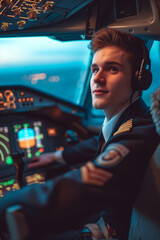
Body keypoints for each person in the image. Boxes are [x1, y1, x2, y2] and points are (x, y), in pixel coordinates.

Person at [0, 28, 159, 240]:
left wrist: (4, 206)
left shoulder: (138, 136)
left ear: (139, 79)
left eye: (112, 69)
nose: (97, 79)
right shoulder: (132, 120)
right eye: (94, 70)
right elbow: (100, 140)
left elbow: (84, 185)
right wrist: (58, 156)